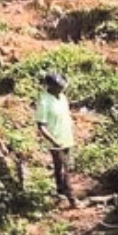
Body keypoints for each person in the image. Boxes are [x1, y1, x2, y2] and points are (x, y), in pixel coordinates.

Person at [35, 73, 77, 208]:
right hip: (56, 142)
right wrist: (53, 141)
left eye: (62, 86)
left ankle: (60, 194)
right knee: (65, 169)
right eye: (59, 87)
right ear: (50, 86)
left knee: (61, 169)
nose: (61, 89)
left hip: (67, 138)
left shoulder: (62, 97)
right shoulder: (44, 101)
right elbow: (41, 125)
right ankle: (72, 199)